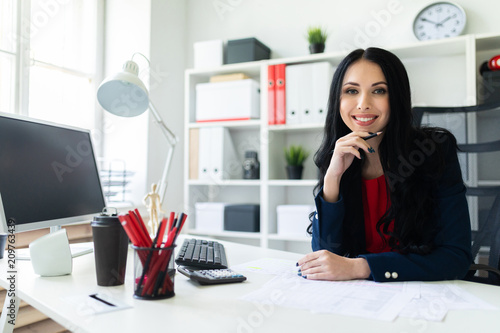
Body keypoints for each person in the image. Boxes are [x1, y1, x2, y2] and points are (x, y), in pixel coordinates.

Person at [297, 47, 472, 282]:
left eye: (379, 90)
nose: (363, 104)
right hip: (364, 297)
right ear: (338, 100)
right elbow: (326, 254)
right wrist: (332, 179)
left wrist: (362, 267)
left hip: (423, 294)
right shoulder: (338, 156)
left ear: (397, 97)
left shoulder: (434, 151)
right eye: (351, 91)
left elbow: (456, 258)